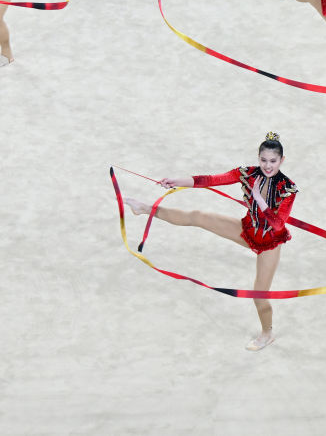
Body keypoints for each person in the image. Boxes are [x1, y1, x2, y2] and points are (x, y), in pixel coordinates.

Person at [123, 133, 297, 351]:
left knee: (259, 294)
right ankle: (144, 208)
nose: (268, 166)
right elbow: (211, 180)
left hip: (269, 243)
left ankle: (267, 334)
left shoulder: (287, 188)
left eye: (273, 161)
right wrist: (178, 181)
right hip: (246, 230)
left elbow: (278, 224)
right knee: (198, 217)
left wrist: (259, 199)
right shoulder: (248, 173)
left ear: (282, 160)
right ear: (258, 158)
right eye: (264, 160)